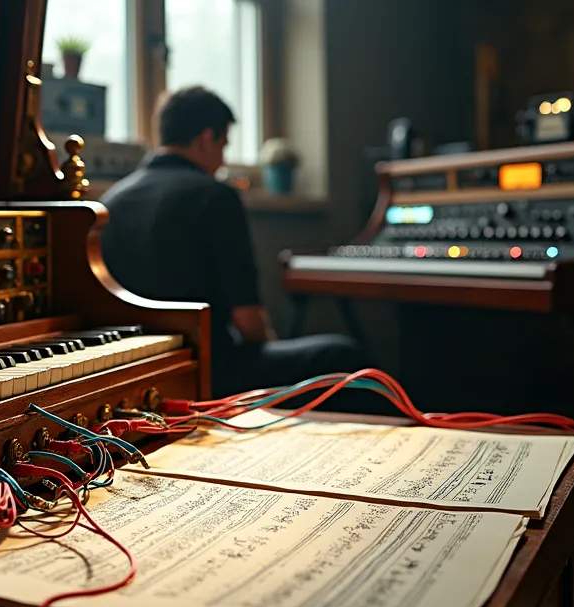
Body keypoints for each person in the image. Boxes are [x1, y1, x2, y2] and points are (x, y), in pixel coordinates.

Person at [99, 85, 372, 406]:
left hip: (135, 373)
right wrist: (269, 347)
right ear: (206, 138)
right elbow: (249, 322)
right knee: (345, 356)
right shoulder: (216, 196)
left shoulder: (111, 201)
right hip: (206, 371)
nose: (222, 159)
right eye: (223, 145)